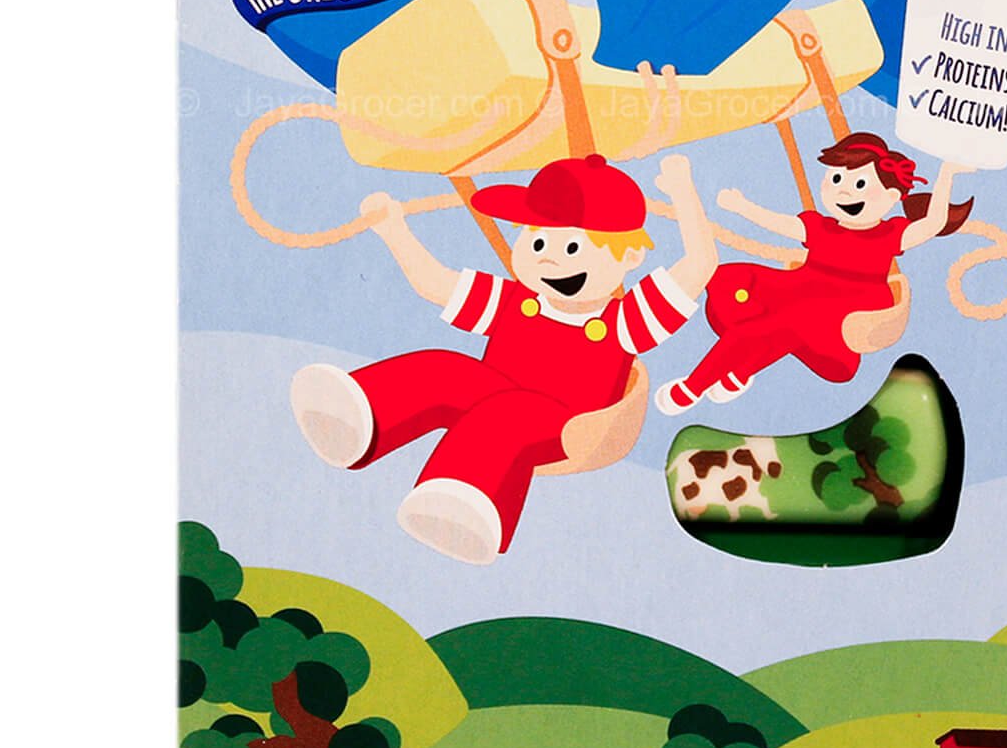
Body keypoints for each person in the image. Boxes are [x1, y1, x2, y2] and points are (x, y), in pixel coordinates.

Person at [291, 152, 717, 564]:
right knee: (444, 369)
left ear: (630, 257)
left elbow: (700, 265)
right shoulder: (517, 301)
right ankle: (361, 420)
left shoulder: (625, 321)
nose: (547, 258)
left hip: (569, 425)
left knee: (507, 416)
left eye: (571, 248)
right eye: (536, 241)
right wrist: (394, 230)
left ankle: (463, 502)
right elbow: (436, 285)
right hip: (494, 394)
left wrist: (682, 191)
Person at [654, 132, 971, 415]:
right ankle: (740, 368)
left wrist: (946, 174)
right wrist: (743, 207)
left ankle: (694, 386)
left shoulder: (889, 235)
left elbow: (932, 224)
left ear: (890, 197)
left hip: (850, 306)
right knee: (729, 281)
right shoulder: (821, 227)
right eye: (836, 179)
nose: (844, 193)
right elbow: (781, 224)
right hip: (805, 285)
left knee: (777, 324)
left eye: (860, 184)